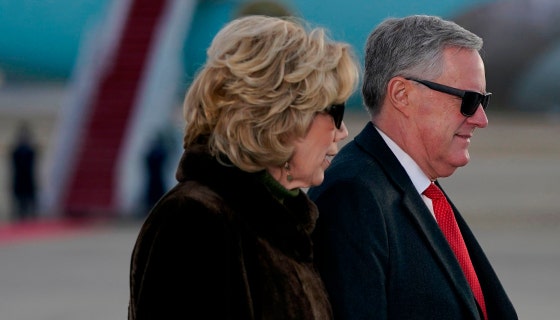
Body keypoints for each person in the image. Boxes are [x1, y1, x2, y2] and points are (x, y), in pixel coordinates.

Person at [128, 15, 359, 320]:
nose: (342, 132)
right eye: (336, 112)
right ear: (284, 118)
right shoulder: (194, 219)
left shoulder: (285, 220)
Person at [308, 15, 517, 319]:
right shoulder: (353, 195)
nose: (480, 119)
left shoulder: (417, 187)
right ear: (402, 94)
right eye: (469, 100)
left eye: (483, 100)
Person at [9, 122, 38, 221]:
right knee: (19, 204)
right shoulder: (16, 151)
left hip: (29, 179)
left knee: (30, 203)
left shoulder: (30, 151)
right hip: (19, 180)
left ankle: (32, 217)